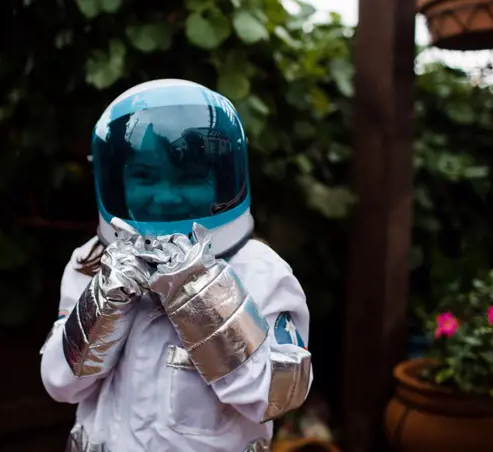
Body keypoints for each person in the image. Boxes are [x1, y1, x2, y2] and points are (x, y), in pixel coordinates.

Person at [40, 79, 313, 452]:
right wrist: (104, 301)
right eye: (144, 176)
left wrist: (202, 295)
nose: (166, 196)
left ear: (221, 179)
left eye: (189, 176)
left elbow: (275, 396)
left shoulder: (261, 272)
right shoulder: (91, 262)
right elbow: (60, 384)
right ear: (117, 181)